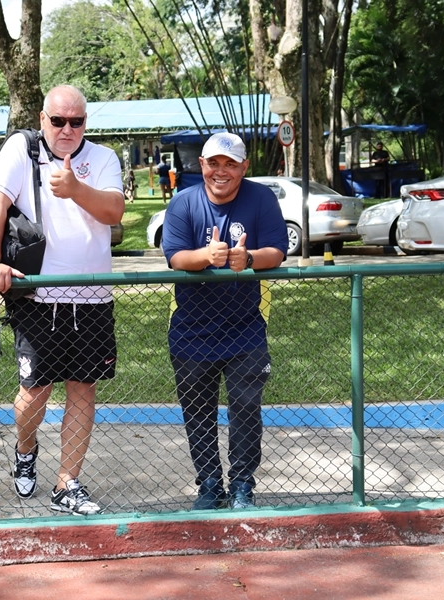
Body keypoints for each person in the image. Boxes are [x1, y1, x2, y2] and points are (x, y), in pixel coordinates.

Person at [0, 84, 124, 516]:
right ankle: (25, 449)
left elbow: (114, 212)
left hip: (93, 297)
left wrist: (76, 188)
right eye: (58, 121)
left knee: (83, 388)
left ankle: (67, 484)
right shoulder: (21, 151)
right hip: (38, 295)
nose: (66, 129)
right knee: (34, 392)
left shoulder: (103, 158)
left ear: (85, 123)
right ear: (43, 119)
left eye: (76, 122)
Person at [160, 132, 288, 511]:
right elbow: (175, 257)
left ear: (244, 167)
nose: (221, 171)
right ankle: (211, 486)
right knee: (197, 412)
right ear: (201, 165)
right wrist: (207, 256)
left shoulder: (261, 198)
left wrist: (247, 259)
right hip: (191, 328)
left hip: (246, 326)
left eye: (230, 164)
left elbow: (277, 251)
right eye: (213, 163)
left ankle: (242, 486)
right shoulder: (183, 202)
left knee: (246, 409)